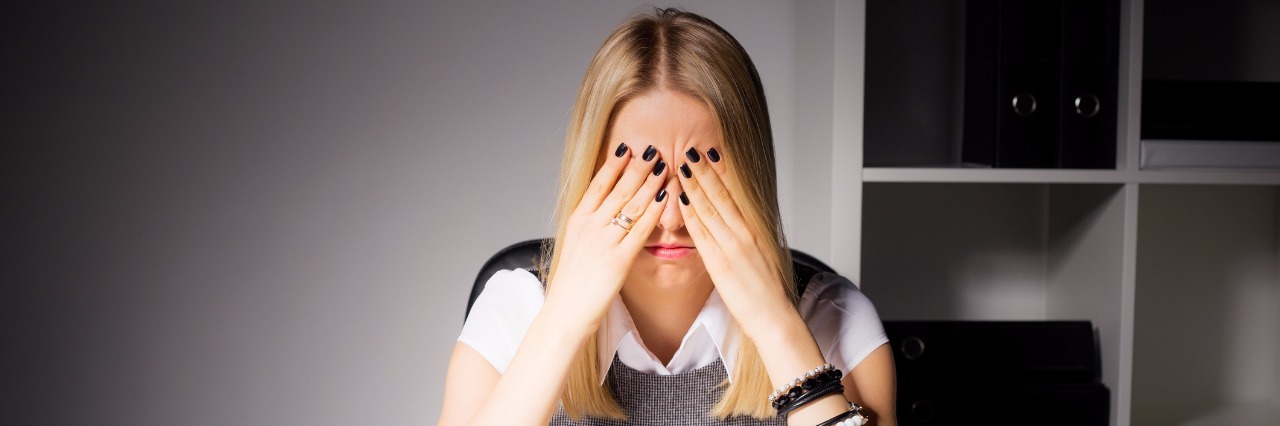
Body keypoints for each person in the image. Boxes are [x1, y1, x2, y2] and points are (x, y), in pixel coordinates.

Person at [439, 8, 895, 426]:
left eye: (699, 179)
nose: (672, 218)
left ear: (750, 179)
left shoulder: (836, 321)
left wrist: (774, 323)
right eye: (643, 180)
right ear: (593, 175)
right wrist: (563, 320)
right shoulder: (513, 313)